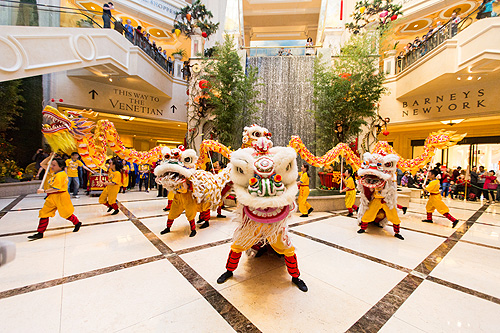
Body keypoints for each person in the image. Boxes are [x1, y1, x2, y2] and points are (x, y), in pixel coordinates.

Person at [28, 156, 82, 240]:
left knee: (66, 213)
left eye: (54, 165)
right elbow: (42, 164)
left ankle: (77, 223)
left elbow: (56, 188)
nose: (51, 166)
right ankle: (40, 232)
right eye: (51, 164)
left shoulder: (61, 175)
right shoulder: (54, 172)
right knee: (44, 213)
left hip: (61, 196)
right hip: (52, 196)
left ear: (61, 167)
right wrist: (50, 156)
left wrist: (43, 191)